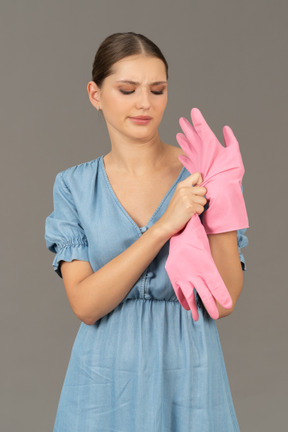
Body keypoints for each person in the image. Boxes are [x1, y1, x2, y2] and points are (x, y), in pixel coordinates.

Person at [44, 31, 248, 432]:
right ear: (95, 94)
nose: (144, 104)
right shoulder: (74, 187)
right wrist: (163, 227)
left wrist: (225, 202)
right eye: (127, 89)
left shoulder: (203, 176)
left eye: (157, 90)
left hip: (189, 372)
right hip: (102, 380)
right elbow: (85, 304)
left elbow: (224, 300)